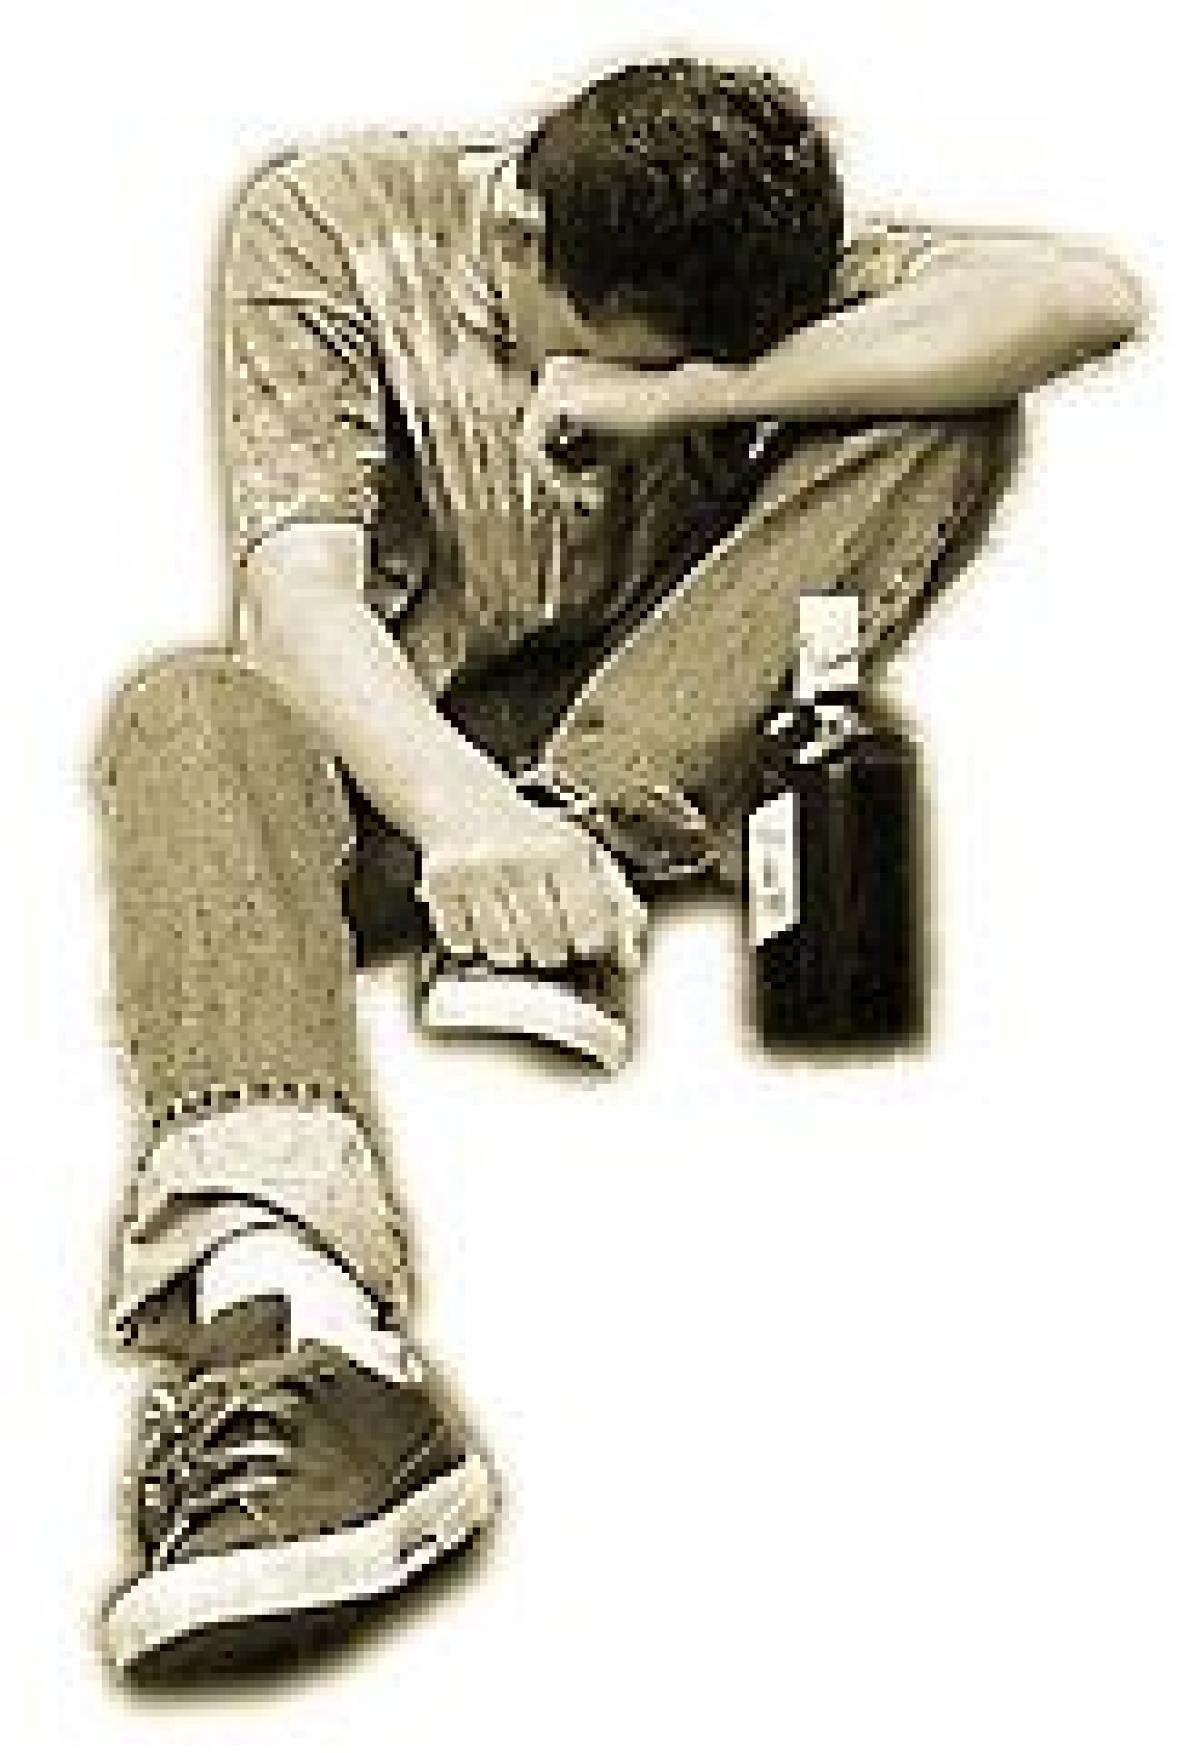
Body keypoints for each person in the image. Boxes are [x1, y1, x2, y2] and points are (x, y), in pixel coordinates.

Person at [90, 57, 1141, 1677]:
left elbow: (1084, 297)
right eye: (618, 351)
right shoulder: (332, 221)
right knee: (184, 710)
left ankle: (579, 864)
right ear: (518, 231)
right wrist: (472, 823)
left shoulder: (731, 270)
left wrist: (678, 397)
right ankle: (302, 1320)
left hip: (646, 752)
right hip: (406, 769)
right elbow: (297, 606)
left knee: (954, 401)